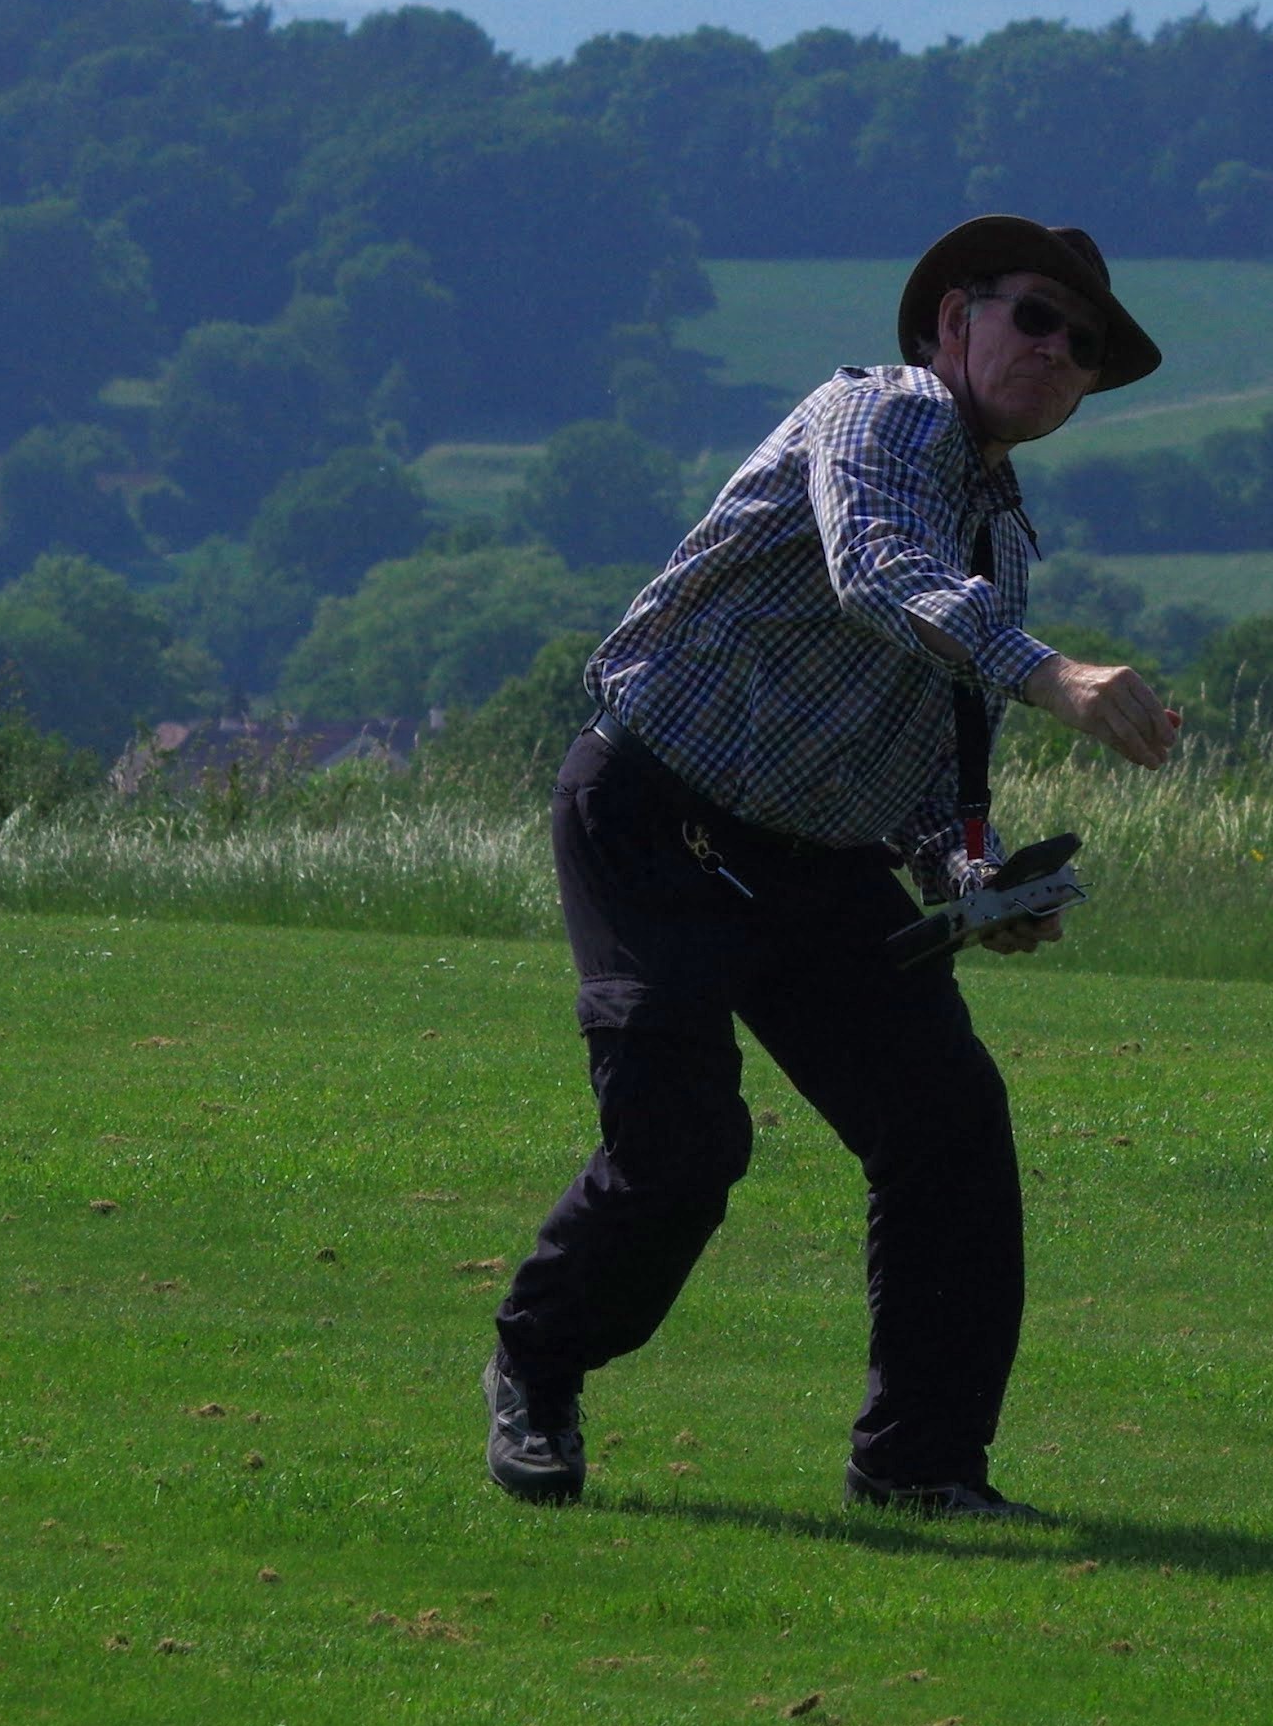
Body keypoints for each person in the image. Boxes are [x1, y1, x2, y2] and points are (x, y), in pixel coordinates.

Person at [485, 214, 1183, 1520]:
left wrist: (969, 880)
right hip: (657, 819)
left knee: (948, 1129)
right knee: (684, 1147)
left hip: (816, 861)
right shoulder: (880, 412)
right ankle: (536, 1366)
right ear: (951, 320)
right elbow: (878, 573)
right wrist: (1055, 675)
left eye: (1085, 346)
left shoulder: (1002, 531)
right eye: (1036, 316)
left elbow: (925, 751)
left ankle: (921, 1464)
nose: (1058, 353)